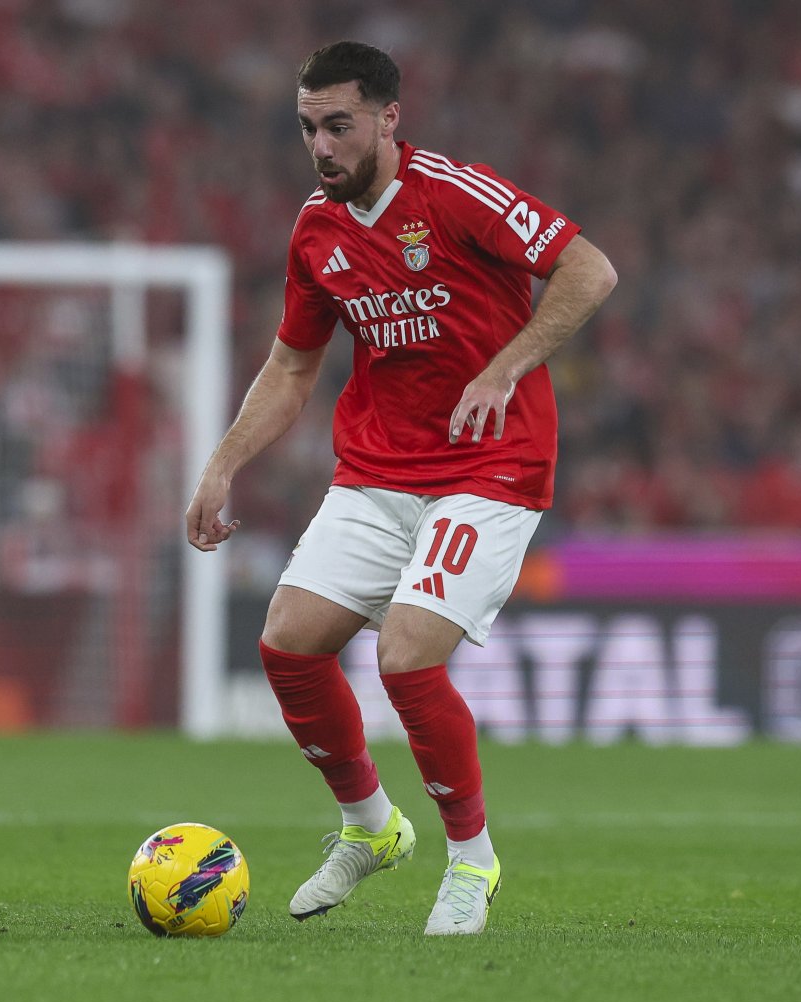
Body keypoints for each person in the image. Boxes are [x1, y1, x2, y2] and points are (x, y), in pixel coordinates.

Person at [185, 40, 617, 936]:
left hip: (491, 465)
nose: (321, 146)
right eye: (307, 128)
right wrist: (223, 463)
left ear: (389, 118)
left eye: (338, 125)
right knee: (288, 644)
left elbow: (590, 269)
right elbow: (293, 366)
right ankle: (371, 828)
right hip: (380, 471)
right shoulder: (317, 229)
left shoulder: (457, 194)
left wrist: (503, 371)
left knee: (408, 654)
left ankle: (472, 861)